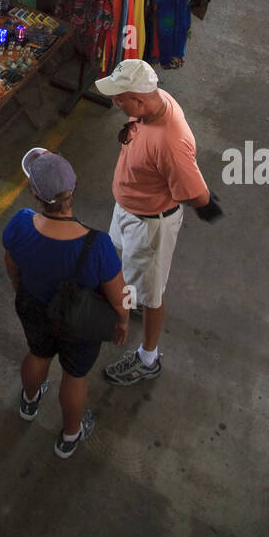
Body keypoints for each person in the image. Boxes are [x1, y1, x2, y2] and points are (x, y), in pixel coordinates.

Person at [94, 59, 215, 386]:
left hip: (149, 227)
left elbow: (197, 194)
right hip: (127, 211)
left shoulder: (171, 141)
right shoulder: (151, 103)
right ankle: (127, 303)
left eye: (120, 98)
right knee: (118, 261)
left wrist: (207, 206)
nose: (115, 102)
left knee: (151, 295)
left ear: (139, 100)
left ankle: (148, 358)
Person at [2, 149, 129, 458]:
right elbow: (119, 295)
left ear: (35, 193)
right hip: (79, 324)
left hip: (33, 307)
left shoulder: (20, 224)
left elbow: (12, 265)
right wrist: (122, 322)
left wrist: (23, 292)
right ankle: (69, 437)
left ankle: (30, 401)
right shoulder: (98, 245)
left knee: (37, 354)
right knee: (74, 376)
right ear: (74, 187)